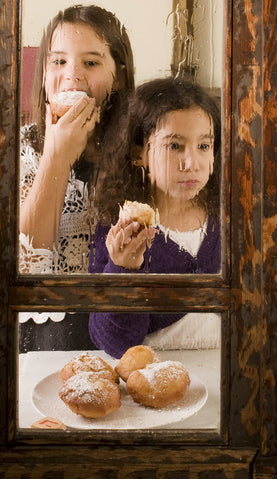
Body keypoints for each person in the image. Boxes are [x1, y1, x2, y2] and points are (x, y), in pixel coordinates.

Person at [18, 5, 134, 352]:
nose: (72, 76)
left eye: (92, 62)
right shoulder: (17, 151)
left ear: (119, 77)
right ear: (43, 74)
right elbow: (23, 266)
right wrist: (56, 157)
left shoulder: (141, 153)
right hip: (38, 345)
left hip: (119, 336)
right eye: (58, 62)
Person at [88, 77, 222, 358]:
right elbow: (113, 343)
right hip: (152, 380)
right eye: (175, 146)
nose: (192, 163)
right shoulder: (121, 232)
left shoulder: (229, 221)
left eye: (204, 146)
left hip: (226, 376)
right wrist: (123, 271)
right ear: (140, 154)